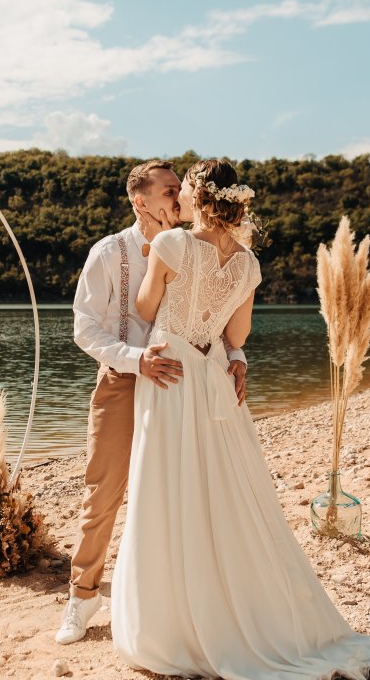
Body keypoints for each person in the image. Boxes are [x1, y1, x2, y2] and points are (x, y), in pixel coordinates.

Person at [110, 159, 370, 680]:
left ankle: (175, 624)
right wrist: (232, 353)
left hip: (170, 373)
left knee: (168, 488)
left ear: (199, 197)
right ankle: (246, 610)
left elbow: (145, 305)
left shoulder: (171, 246)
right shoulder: (248, 264)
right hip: (212, 376)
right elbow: (237, 333)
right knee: (226, 493)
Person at [59, 160, 248, 644]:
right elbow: (85, 327)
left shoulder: (197, 247)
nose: (177, 199)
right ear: (140, 201)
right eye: (168, 191)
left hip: (184, 384)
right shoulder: (109, 252)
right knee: (103, 494)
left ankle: (178, 603)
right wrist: (134, 358)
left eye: (178, 190)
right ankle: (82, 598)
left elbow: (219, 316)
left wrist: (237, 355)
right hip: (125, 380)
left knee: (181, 493)